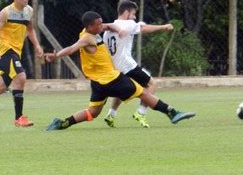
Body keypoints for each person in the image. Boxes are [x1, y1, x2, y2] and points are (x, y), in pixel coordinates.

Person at [44, 11, 195, 131]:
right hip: (112, 78)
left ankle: (63, 123)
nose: (101, 26)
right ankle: (172, 113)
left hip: (97, 82)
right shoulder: (87, 38)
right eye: (98, 24)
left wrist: (118, 29)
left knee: (94, 111)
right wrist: (56, 55)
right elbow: (71, 48)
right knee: (143, 92)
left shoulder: (90, 31)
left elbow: (108, 26)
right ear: (90, 27)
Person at [103, 0, 173, 128]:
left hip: (114, 67)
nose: (134, 17)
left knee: (121, 91)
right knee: (151, 84)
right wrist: (164, 27)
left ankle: (111, 114)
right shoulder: (128, 23)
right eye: (133, 14)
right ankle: (141, 112)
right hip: (127, 65)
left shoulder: (108, 30)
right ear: (126, 12)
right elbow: (144, 28)